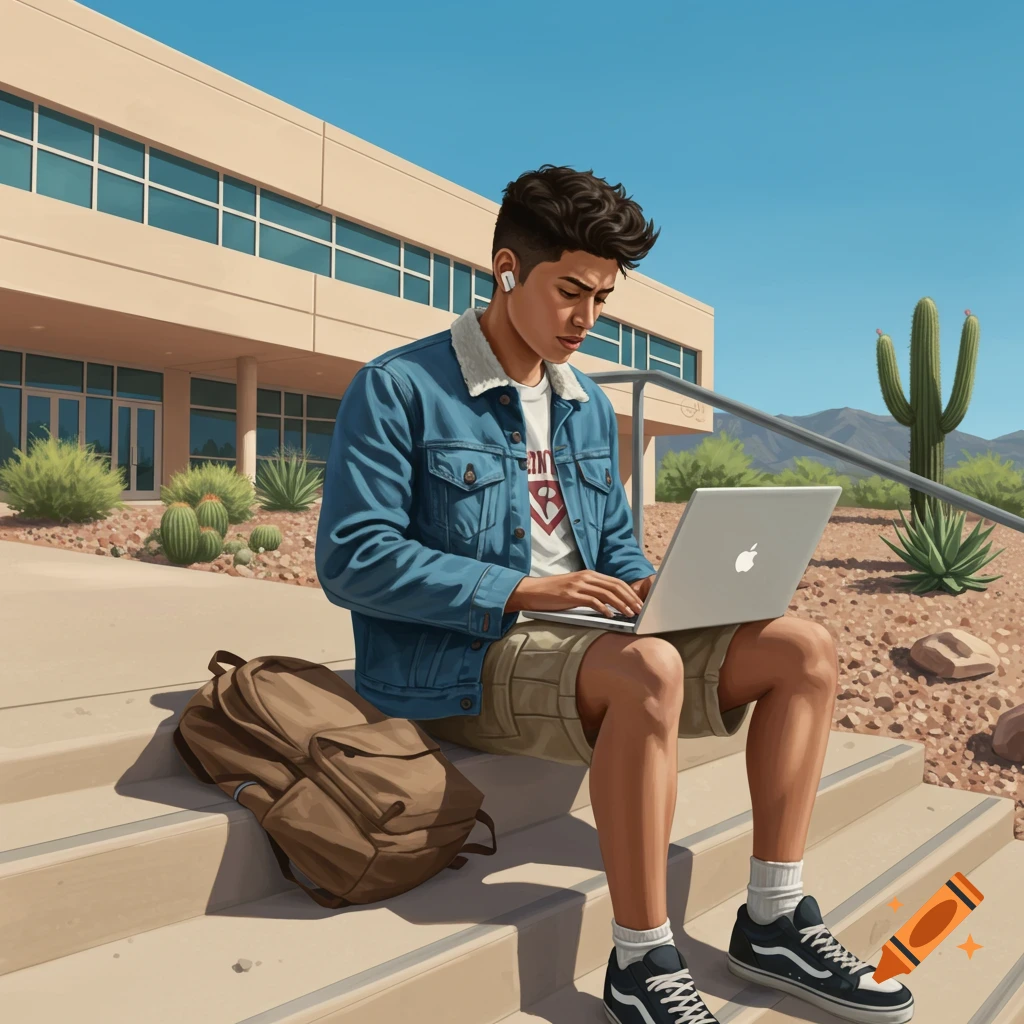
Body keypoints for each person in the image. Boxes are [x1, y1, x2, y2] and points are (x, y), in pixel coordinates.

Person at [315, 164, 914, 1024]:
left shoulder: (587, 405)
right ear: (507, 270)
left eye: (602, 297)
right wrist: (524, 588)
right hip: (457, 657)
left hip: (588, 641)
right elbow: (352, 557)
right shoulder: (401, 386)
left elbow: (616, 547)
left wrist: (650, 584)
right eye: (570, 292)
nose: (586, 320)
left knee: (803, 649)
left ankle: (775, 917)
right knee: (650, 674)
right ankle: (641, 961)